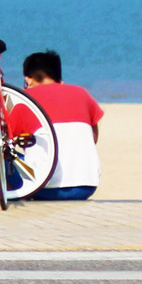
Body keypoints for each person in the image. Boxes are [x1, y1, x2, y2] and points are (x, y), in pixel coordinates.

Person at [20, 50, 103, 200]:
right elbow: (94, 137)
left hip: (44, 188)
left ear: (28, 80)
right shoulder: (82, 93)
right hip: (86, 186)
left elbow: (14, 143)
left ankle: (22, 198)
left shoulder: (24, 99)